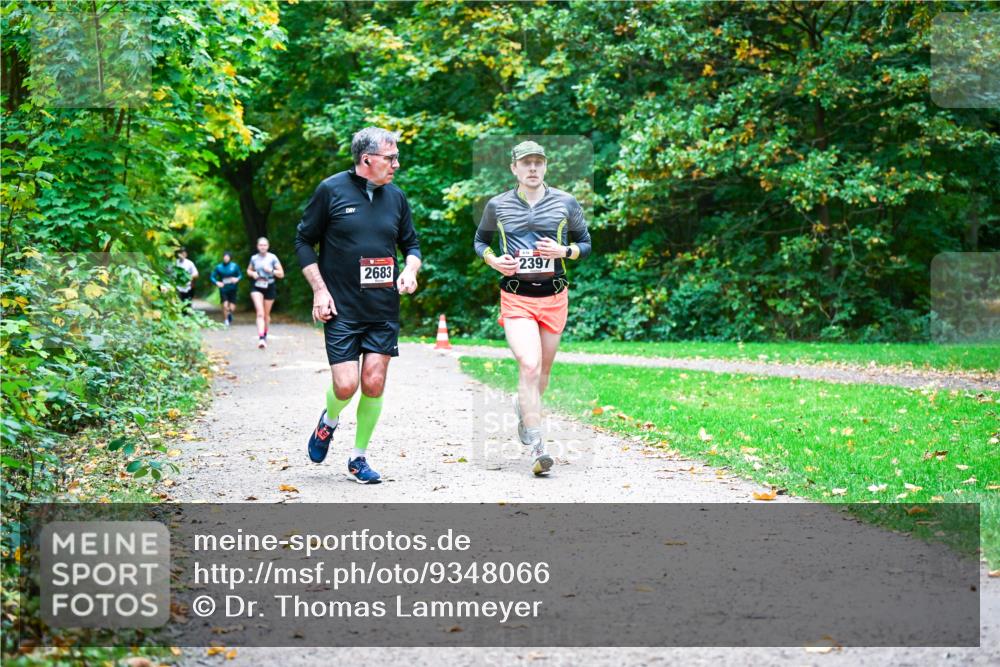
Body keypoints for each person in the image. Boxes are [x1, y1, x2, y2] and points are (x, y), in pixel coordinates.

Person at [294, 126, 421, 484]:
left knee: (375, 382)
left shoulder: (396, 197)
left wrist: (410, 270)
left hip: (382, 308)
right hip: (342, 308)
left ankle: (358, 457)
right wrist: (320, 290)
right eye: (390, 158)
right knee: (347, 385)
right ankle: (328, 422)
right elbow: (303, 241)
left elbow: (411, 245)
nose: (396, 164)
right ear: (367, 159)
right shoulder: (330, 191)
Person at [473, 140, 592, 476]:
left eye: (538, 162)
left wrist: (563, 252)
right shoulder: (497, 205)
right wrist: (494, 260)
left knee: (543, 374)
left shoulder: (565, 202)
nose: (532, 168)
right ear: (514, 168)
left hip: (554, 296)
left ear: (545, 167)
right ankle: (539, 447)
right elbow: (480, 242)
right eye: (526, 163)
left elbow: (585, 244)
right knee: (529, 365)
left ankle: (521, 407)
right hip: (516, 297)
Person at [247, 237, 284, 349]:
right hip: (257, 286)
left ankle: (265, 334)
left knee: (266, 316)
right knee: (260, 313)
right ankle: (261, 338)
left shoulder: (273, 258)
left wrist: (271, 270)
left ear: (268, 246)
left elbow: (281, 274)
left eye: (264, 245)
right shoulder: (254, 258)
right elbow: (248, 270)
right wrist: (252, 274)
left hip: (270, 286)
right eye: (260, 245)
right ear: (257, 246)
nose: (262, 247)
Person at [210, 251, 242, 327]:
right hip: (223, 289)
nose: (226, 258)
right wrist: (217, 282)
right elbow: (212, 277)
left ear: (230, 258)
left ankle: (229, 314)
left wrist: (237, 279)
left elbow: (240, 275)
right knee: (225, 305)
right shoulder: (219, 267)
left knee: (232, 307)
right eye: (224, 257)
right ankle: (226, 320)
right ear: (223, 257)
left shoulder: (234, 266)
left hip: (233, 288)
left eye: (227, 257)